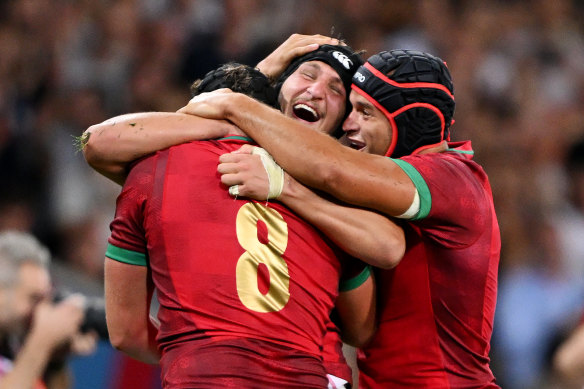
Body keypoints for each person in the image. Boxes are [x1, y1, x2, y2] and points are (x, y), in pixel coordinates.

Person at [84, 35, 405, 388]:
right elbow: (362, 325)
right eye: (308, 75)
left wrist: (202, 357)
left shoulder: (150, 171)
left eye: (334, 89)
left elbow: (126, 333)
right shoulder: (334, 199)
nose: (316, 92)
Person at [178, 48, 501, 388]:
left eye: (365, 113)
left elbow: (330, 169)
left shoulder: (454, 180)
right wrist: (262, 75)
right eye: (350, 109)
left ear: (409, 121)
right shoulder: (381, 188)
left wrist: (236, 104)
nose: (348, 124)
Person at [0, 230, 97, 389]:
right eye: (34, 298)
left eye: (45, 298)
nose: (42, 310)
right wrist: (41, 342)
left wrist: (55, 360)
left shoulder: (13, 345)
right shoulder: (30, 348)